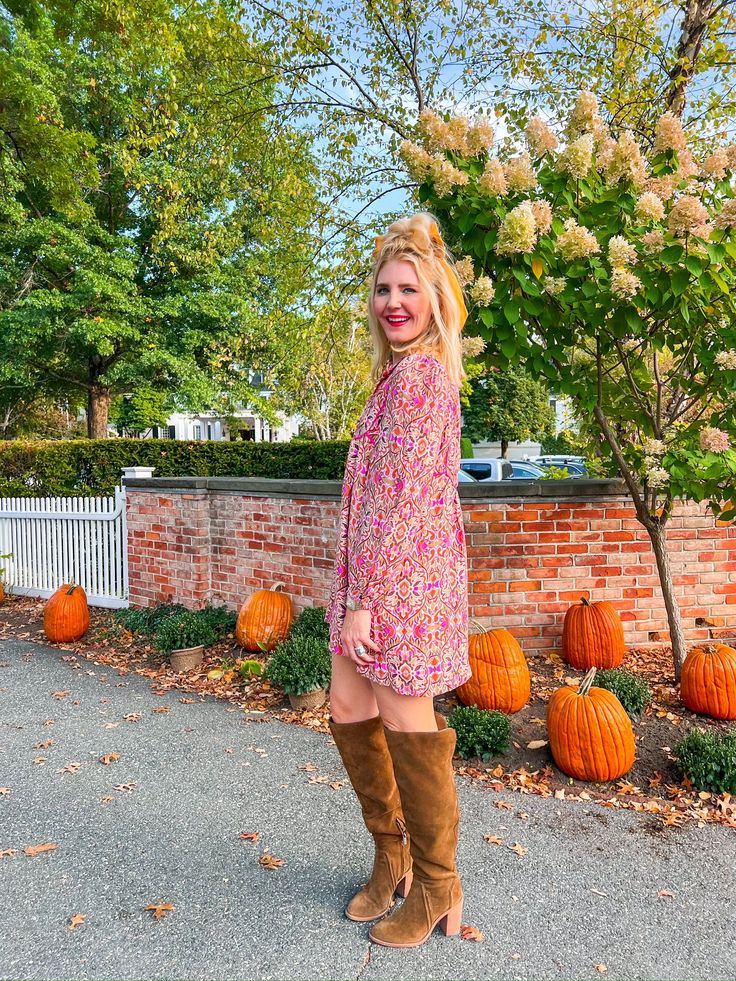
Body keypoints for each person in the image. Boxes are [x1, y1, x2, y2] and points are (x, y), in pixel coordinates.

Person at [325, 212, 471, 948]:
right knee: (348, 702)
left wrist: (363, 602)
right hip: (374, 581)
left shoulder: (420, 382)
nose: (393, 302)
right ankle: (393, 853)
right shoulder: (396, 376)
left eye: (408, 288)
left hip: (398, 589)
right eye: (382, 289)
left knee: (408, 722)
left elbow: (402, 507)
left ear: (434, 297)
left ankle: (440, 881)